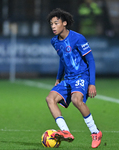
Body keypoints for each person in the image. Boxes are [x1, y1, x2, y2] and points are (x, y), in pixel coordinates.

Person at [46, 8, 102, 148]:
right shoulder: (55, 41)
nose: (53, 26)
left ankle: (95, 132)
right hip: (68, 78)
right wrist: (58, 78)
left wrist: (92, 83)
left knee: (77, 100)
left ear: (64, 23)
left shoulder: (78, 38)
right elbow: (62, 59)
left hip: (81, 76)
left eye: (56, 23)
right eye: (51, 24)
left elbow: (91, 60)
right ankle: (65, 131)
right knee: (50, 99)